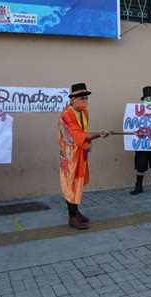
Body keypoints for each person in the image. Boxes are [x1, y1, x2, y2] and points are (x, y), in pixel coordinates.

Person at [58, 83, 109, 230]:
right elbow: (79, 135)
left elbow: (84, 133)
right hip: (70, 157)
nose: (85, 101)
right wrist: (99, 134)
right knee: (70, 185)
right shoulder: (67, 114)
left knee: (78, 184)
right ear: (72, 99)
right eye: (82, 98)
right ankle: (72, 218)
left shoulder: (84, 112)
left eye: (86, 98)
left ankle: (76, 212)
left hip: (81, 152)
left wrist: (96, 136)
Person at [130, 86, 151, 195]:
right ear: (143, 101)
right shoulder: (136, 113)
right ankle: (138, 186)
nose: (149, 100)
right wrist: (133, 131)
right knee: (140, 165)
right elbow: (132, 125)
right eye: (146, 98)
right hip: (141, 144)